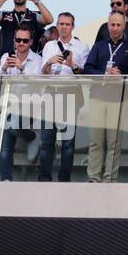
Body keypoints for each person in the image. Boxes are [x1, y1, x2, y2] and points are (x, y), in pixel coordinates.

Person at [81, 11, 128, 183]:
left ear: (124, 26)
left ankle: (110, 178)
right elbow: (87, 68)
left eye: (118, 25)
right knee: (96, 140)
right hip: (98, 97)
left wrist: (122, 75)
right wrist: (104, 73)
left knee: (114, 142)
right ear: (107, 25)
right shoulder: (99, 46)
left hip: (119, 99)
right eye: (112, 24)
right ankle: (93, 177)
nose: (115, 28)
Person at [38, 12, 87, 182]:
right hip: (51, 91)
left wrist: (72, 65)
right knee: (46, 141)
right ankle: (44, 178)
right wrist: (49, 62)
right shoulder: (49, 46)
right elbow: (43, 73)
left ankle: (64, 179)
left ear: (73, 26)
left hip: (70, 92)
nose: (64, 27)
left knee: (68, 143)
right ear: (57, 26)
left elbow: (85, 75)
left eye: (67, 24)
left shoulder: (81, 47)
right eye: (61, 24)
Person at [0, 28, 45, 180]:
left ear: (30, 42)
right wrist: (4, 68)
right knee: (5, 146)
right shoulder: (6, 56)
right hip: (9, 102)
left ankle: (31, 137)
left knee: (14, 126)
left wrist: (21, 68)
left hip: (29, 103)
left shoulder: (37, 59)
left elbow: (38, 84)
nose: (21, 43)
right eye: (18, 40)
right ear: (14, 41)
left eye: (24, 41)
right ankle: (6, 179)